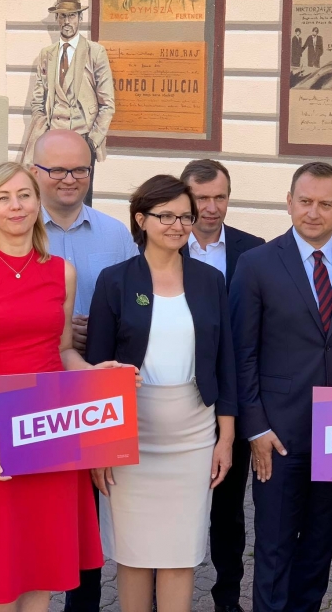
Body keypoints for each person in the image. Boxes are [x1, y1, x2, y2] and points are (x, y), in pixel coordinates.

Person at [0, 162, 130, 609]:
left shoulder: (63, 272)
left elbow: (62, 351)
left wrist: (94, 373)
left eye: (24, 195)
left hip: (48, 427)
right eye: (3, 197)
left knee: (41, 568)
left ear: (36, 202)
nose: (16, 206)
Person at [229, 162, 332, 612]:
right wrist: (256, 428)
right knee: (274, 549)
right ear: (289, 202)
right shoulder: (256, 263)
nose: (314, 212)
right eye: (305, 201)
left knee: (319, 549)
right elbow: (243, 353)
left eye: (325, 204)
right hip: (277, 434)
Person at [87, 174, 238, 612]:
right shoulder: (114, 281)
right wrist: (98, 446)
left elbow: (225, 361)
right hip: (129, 435)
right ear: (141, 219)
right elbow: (96, 369)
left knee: (180, 553)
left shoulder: (210, 280)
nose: (178, 225)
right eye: (166, 216)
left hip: (194, 436)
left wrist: (226, 437)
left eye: (185, 217)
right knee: (133, 553)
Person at [29, 131, 138, 611]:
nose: (69, 179)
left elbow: (137, 307)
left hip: (95, 386)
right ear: (35, 172)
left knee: (89, 510)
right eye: (57, 169)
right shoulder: (16, 230)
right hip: (34, 387)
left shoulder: (117, 235)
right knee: (36, 508)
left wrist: (102, 329)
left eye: (80, 169)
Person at [180, 159, 265, 612]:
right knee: (175, 506)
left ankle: (227, 598)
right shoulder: (162, 246)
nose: (211, 208)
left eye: (220, 197)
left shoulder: (255, 251)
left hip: (234, 396)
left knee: (228, 511)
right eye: (201, 198)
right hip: (176, 399)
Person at [21, 0, 115, 203]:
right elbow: (38, 100)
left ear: (80, 18)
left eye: (71, 15)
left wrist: (92, 142)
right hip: (53, 141)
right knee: (51, 199)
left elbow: (108, 104)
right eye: (62, 16)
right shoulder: (47, 54)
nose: (66, 21)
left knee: (80, 201)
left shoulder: (95, 52)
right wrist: (44, 133)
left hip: (83, 138)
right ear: (56, 18)